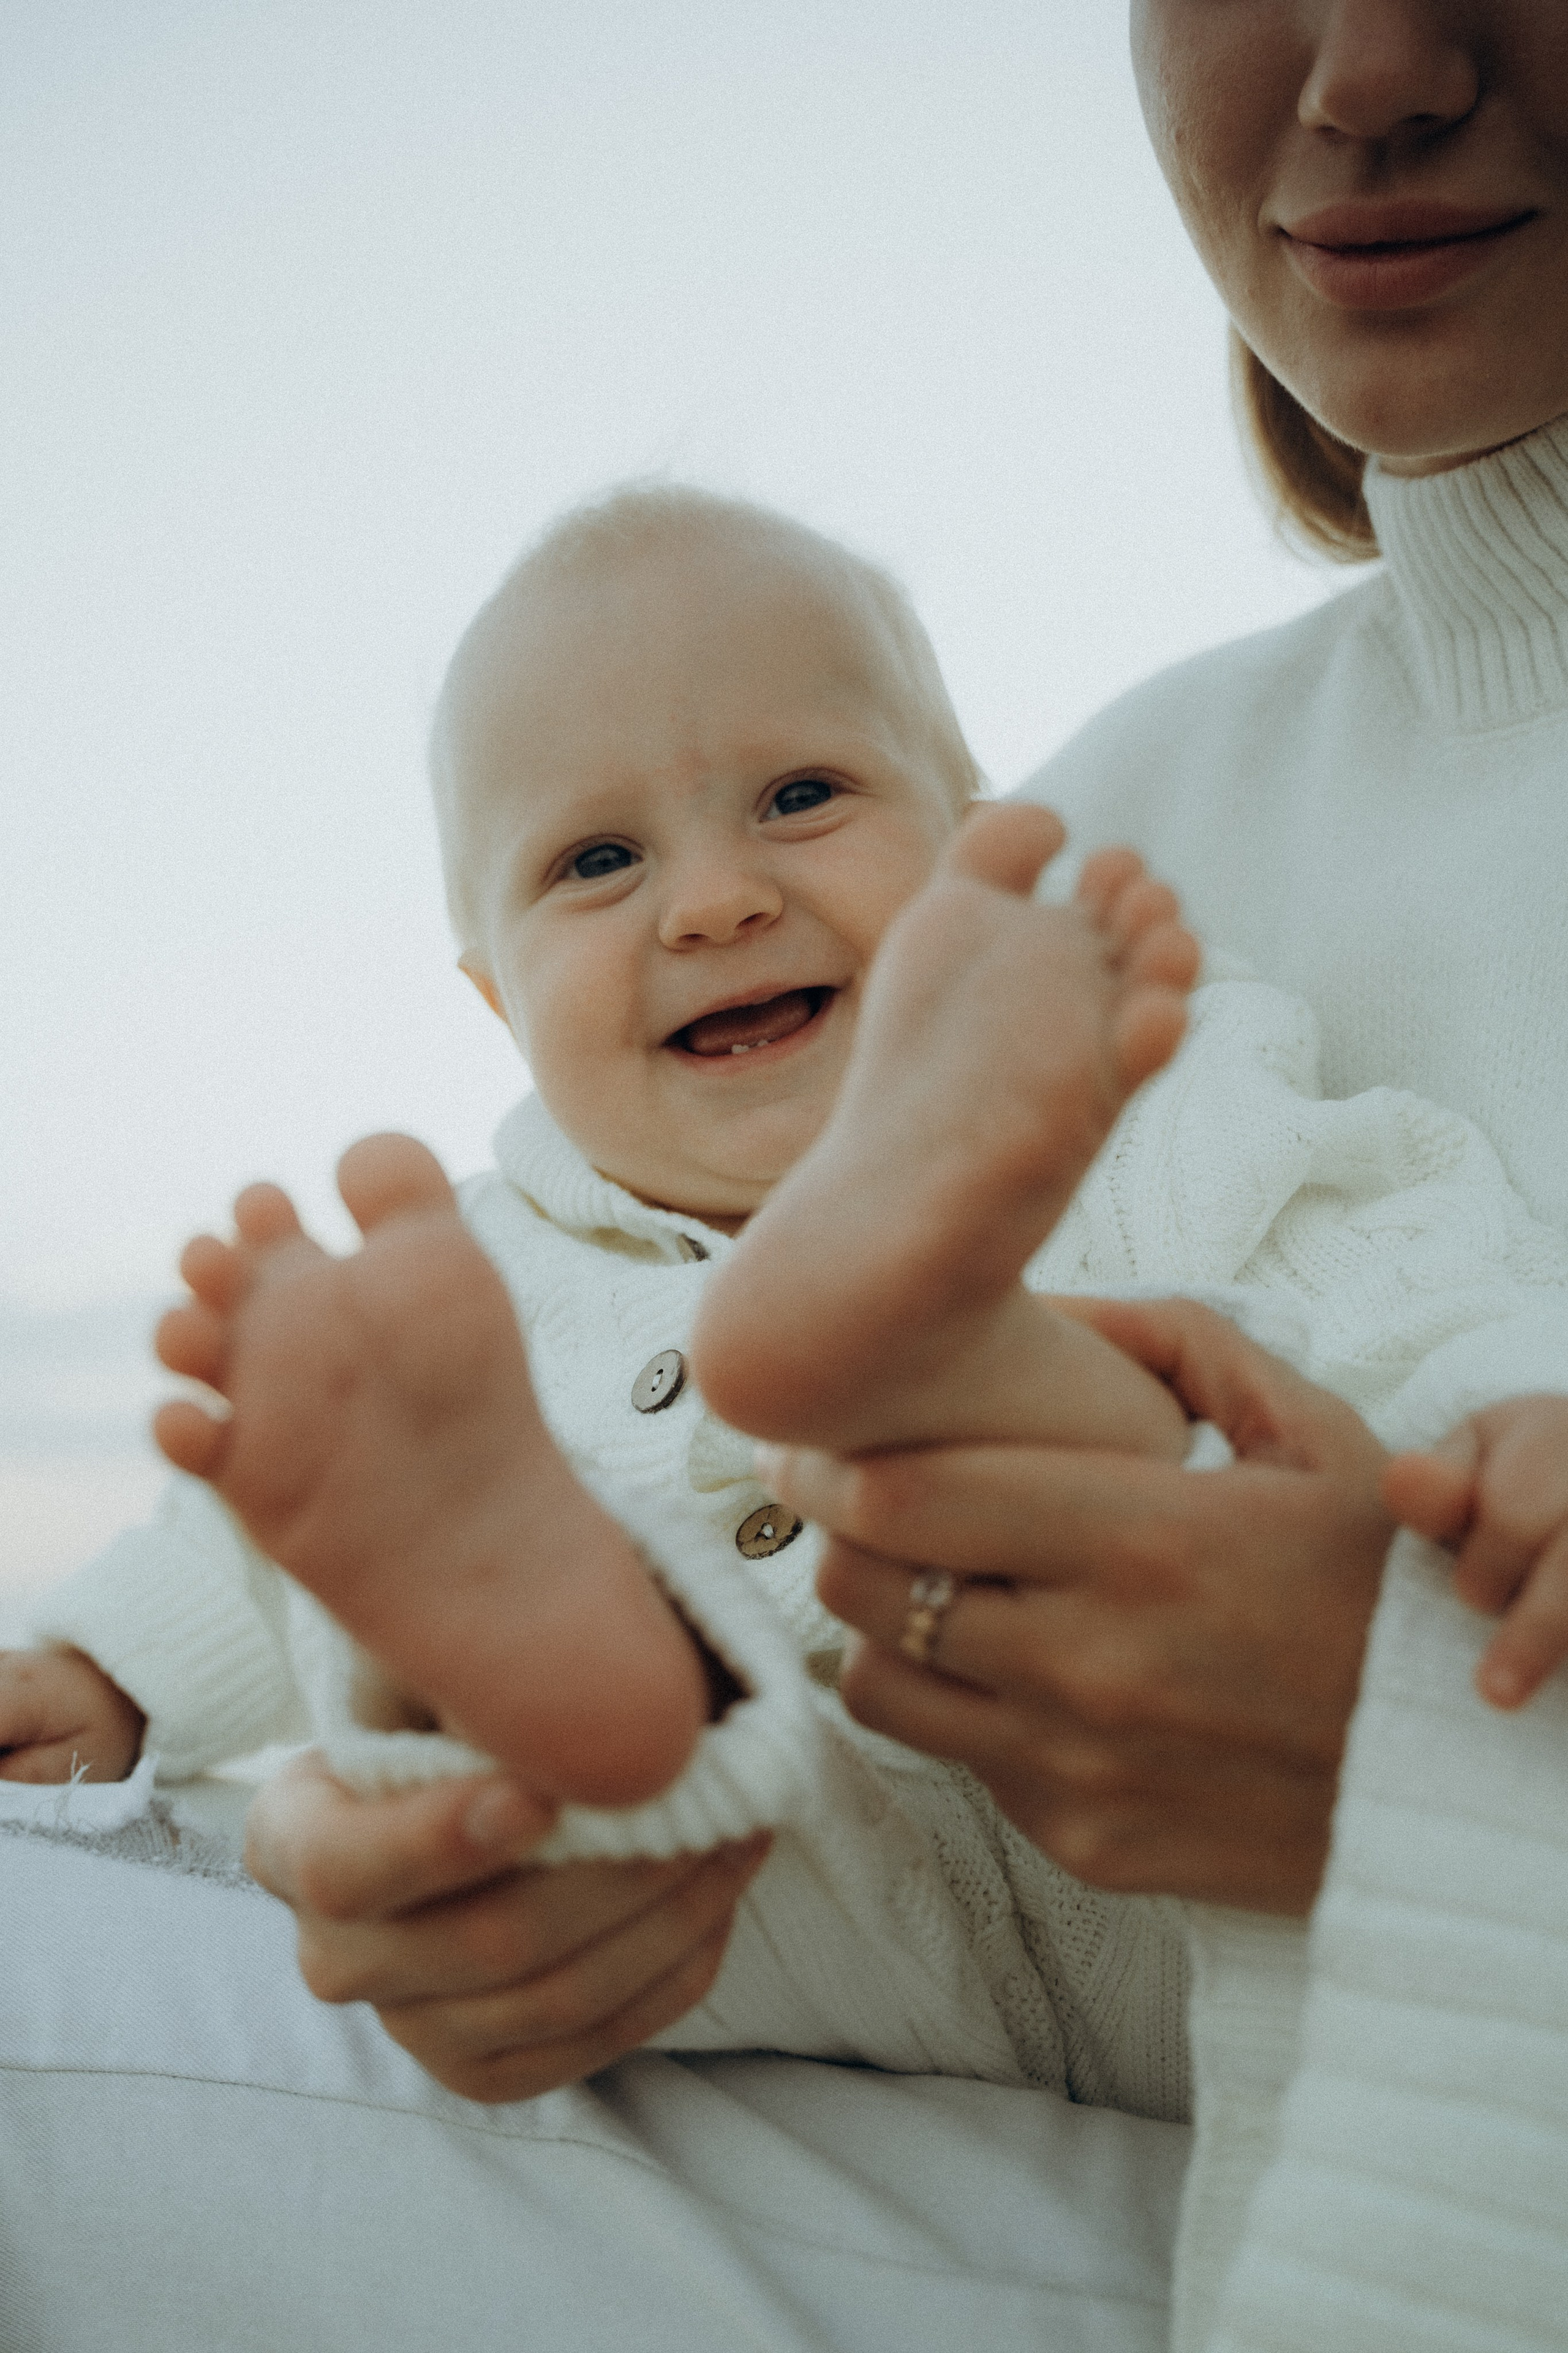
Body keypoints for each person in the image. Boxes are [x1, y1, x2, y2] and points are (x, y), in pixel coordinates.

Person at [4, 7, 1567, 2349]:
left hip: (1238, 1960)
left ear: (975, 834)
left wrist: (1516, 1430)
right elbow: (259, 1525)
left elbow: (1394, 1252)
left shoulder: (1121, 1049)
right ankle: (574, 1696)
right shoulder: (507, 1253)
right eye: (598, 860)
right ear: (482, 990)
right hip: (777, 1902)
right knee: (571, 1717)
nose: (714, 902)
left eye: (806, 804)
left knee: (1162, 1382)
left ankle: (938, 1351)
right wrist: (120, 1676)